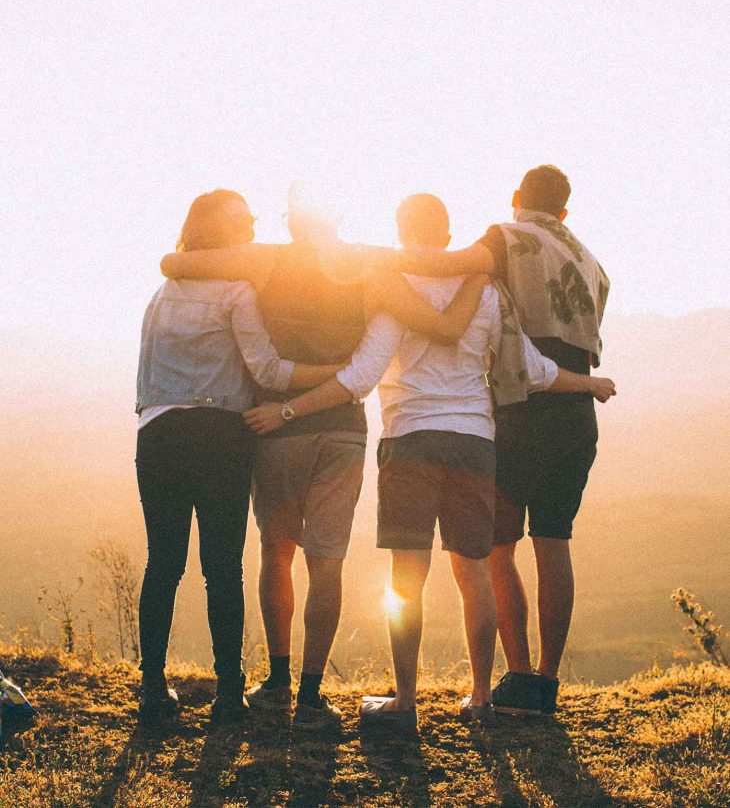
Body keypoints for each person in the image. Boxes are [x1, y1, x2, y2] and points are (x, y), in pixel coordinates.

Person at [243, 192, 616, 729]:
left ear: (400, 231)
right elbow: (532, 369)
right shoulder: (486, 291)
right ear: (447, 236)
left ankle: (405, 702)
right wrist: (590, 383)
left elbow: (360, 377)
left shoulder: (394, 289)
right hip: (474, 443)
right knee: (474, 573)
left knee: (407, 578)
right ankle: (482, 697)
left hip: (410, 440)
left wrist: (288, 409)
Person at [159, 190, 488, 730]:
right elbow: (435, 293)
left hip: (276, 429)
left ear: (292, 222)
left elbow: (176, 262)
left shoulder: (266, 258)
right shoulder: (367, 262)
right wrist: (480, 266)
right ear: (337, 217)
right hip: (342, 429)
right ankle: (312, 697)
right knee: (327, 560)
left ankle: (278, 680)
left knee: (277, 550)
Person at [374, 166, 612, 715]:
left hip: (520, 407)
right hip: (574, 410)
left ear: (515, 199)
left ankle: (516, 677)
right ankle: (544, 684)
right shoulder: (593, 262)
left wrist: (369, 261)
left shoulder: (506, 238)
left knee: (494, 550)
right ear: (565, 211)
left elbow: (448, 265)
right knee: (554, 542)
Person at [135, 189, 350, 723]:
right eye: (247, 221)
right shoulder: (236, 291)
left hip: (157, 432)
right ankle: (230, 693)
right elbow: (269, 372)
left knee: (163, 562)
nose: (254, 229)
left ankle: (152, 689)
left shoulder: (163, 293)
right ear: (227, 232)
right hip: (220, 437)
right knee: (222, 568)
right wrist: (338, 374)